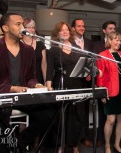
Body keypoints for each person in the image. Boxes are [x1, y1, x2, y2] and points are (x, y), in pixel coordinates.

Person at [0, 13, 53, 153]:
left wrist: (37, 85)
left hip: (22, 98)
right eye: (18, 24)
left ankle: (20, 141)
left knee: (49, 113)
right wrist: (12, 88)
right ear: (5, 28)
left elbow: (30, 78)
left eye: (22, 24)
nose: (22, 27)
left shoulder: (28, 51)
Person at [46, 21, 85, 153]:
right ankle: (60, 146)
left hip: (77, 85)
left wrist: (94, 71)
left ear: (70, 32)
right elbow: (49, 70)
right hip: (60, 85)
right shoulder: (52, 51)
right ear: (57, 34)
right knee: (61, 118)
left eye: (67, 30)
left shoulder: (77, 48)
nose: (65, 32)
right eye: (61, 30)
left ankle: (74, 145)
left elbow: (84, 66)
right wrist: (49, 85)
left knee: (77, 118)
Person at [96, 31, 121, 153]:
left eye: (120, 40)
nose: (119, 42)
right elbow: (100, 76)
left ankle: (116, 144)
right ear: (109, 41)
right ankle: (107, 146)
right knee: (110, 120)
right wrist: (102, 93)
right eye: (116, 39)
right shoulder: (102, 55)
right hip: (110, 91)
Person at [71, 18, 93, 147]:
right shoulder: (69, 42)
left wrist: (89, 72)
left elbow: (91, 59)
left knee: (84, 111)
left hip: (86, 81)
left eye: (83, 26)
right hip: (72, 80)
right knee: (73, 112)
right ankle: (72, 141)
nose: (81, 28)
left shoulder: (90, 43)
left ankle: (83, 137)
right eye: (79, 26)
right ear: (73, 28)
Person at [21, 17, 47, 84]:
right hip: (22, 80)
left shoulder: (40, 44)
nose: (31, 30)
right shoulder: (18, 44)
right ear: (22, 28)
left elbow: (44, 65)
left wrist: (46, 82)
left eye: (33, 27)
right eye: (28, 27)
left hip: (38, 79)